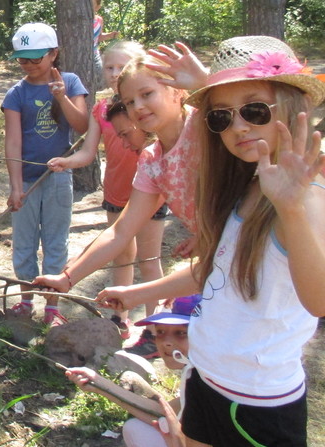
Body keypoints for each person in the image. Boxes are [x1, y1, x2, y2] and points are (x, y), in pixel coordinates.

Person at [98, 35, 325, 447]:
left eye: (254, 110)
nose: (237, 126)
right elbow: (217, 271)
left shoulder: (306, 196)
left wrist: (291, 208)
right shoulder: (247, 186)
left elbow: (320, 300)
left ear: (292, 105)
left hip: (257, 403)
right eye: (221, 117)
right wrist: (137, 294)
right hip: (207, 376)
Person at [34, 49, 200, 351]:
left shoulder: (205, 127)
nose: (138, 107)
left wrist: (205, 83)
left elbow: (252, 112)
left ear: (177, 91)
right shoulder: (152, 160)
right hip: (224, 260)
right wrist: (68, 278)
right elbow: (120, 232)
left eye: (147, 93)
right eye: (129, 101)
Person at [46, 40, 165, 335]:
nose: (114, 73)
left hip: (150, 195)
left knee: (149, 260)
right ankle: (119, 318)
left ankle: (156, 325)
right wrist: (68, 162)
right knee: (121, 256)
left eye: (121, 66)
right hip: (116, 193)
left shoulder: (148, 109)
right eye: (109, 67)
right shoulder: (102, 109)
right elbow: (89, 152)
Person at [1, 22, 89, 325]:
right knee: (24, 242)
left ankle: (53, 304)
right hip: (26, 179)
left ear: (53, 54)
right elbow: (12, 141)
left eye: (35, 58)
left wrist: (62, 97)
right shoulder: (16, 93)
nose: (28, 65)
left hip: (58, 177)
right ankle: (25, 299)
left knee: (55, 241)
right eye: (22, 59)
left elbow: (83, 126)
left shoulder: (71, 82)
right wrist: (15, 187)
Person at [66, 295, 200, 447]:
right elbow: (163, 412)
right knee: (137, 428)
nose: (166, 343)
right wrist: (98, 383)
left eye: (181, 333)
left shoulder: (214, 380)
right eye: (161, 332)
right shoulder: (195, 371)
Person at [92, 0, 119, 80]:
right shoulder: (80, 20)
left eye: (91, 4)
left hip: (94, 54)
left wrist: (110, 35)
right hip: (81, 53)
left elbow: (98, 37)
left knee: (101, 76)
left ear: (97, 7)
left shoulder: (99, 20)